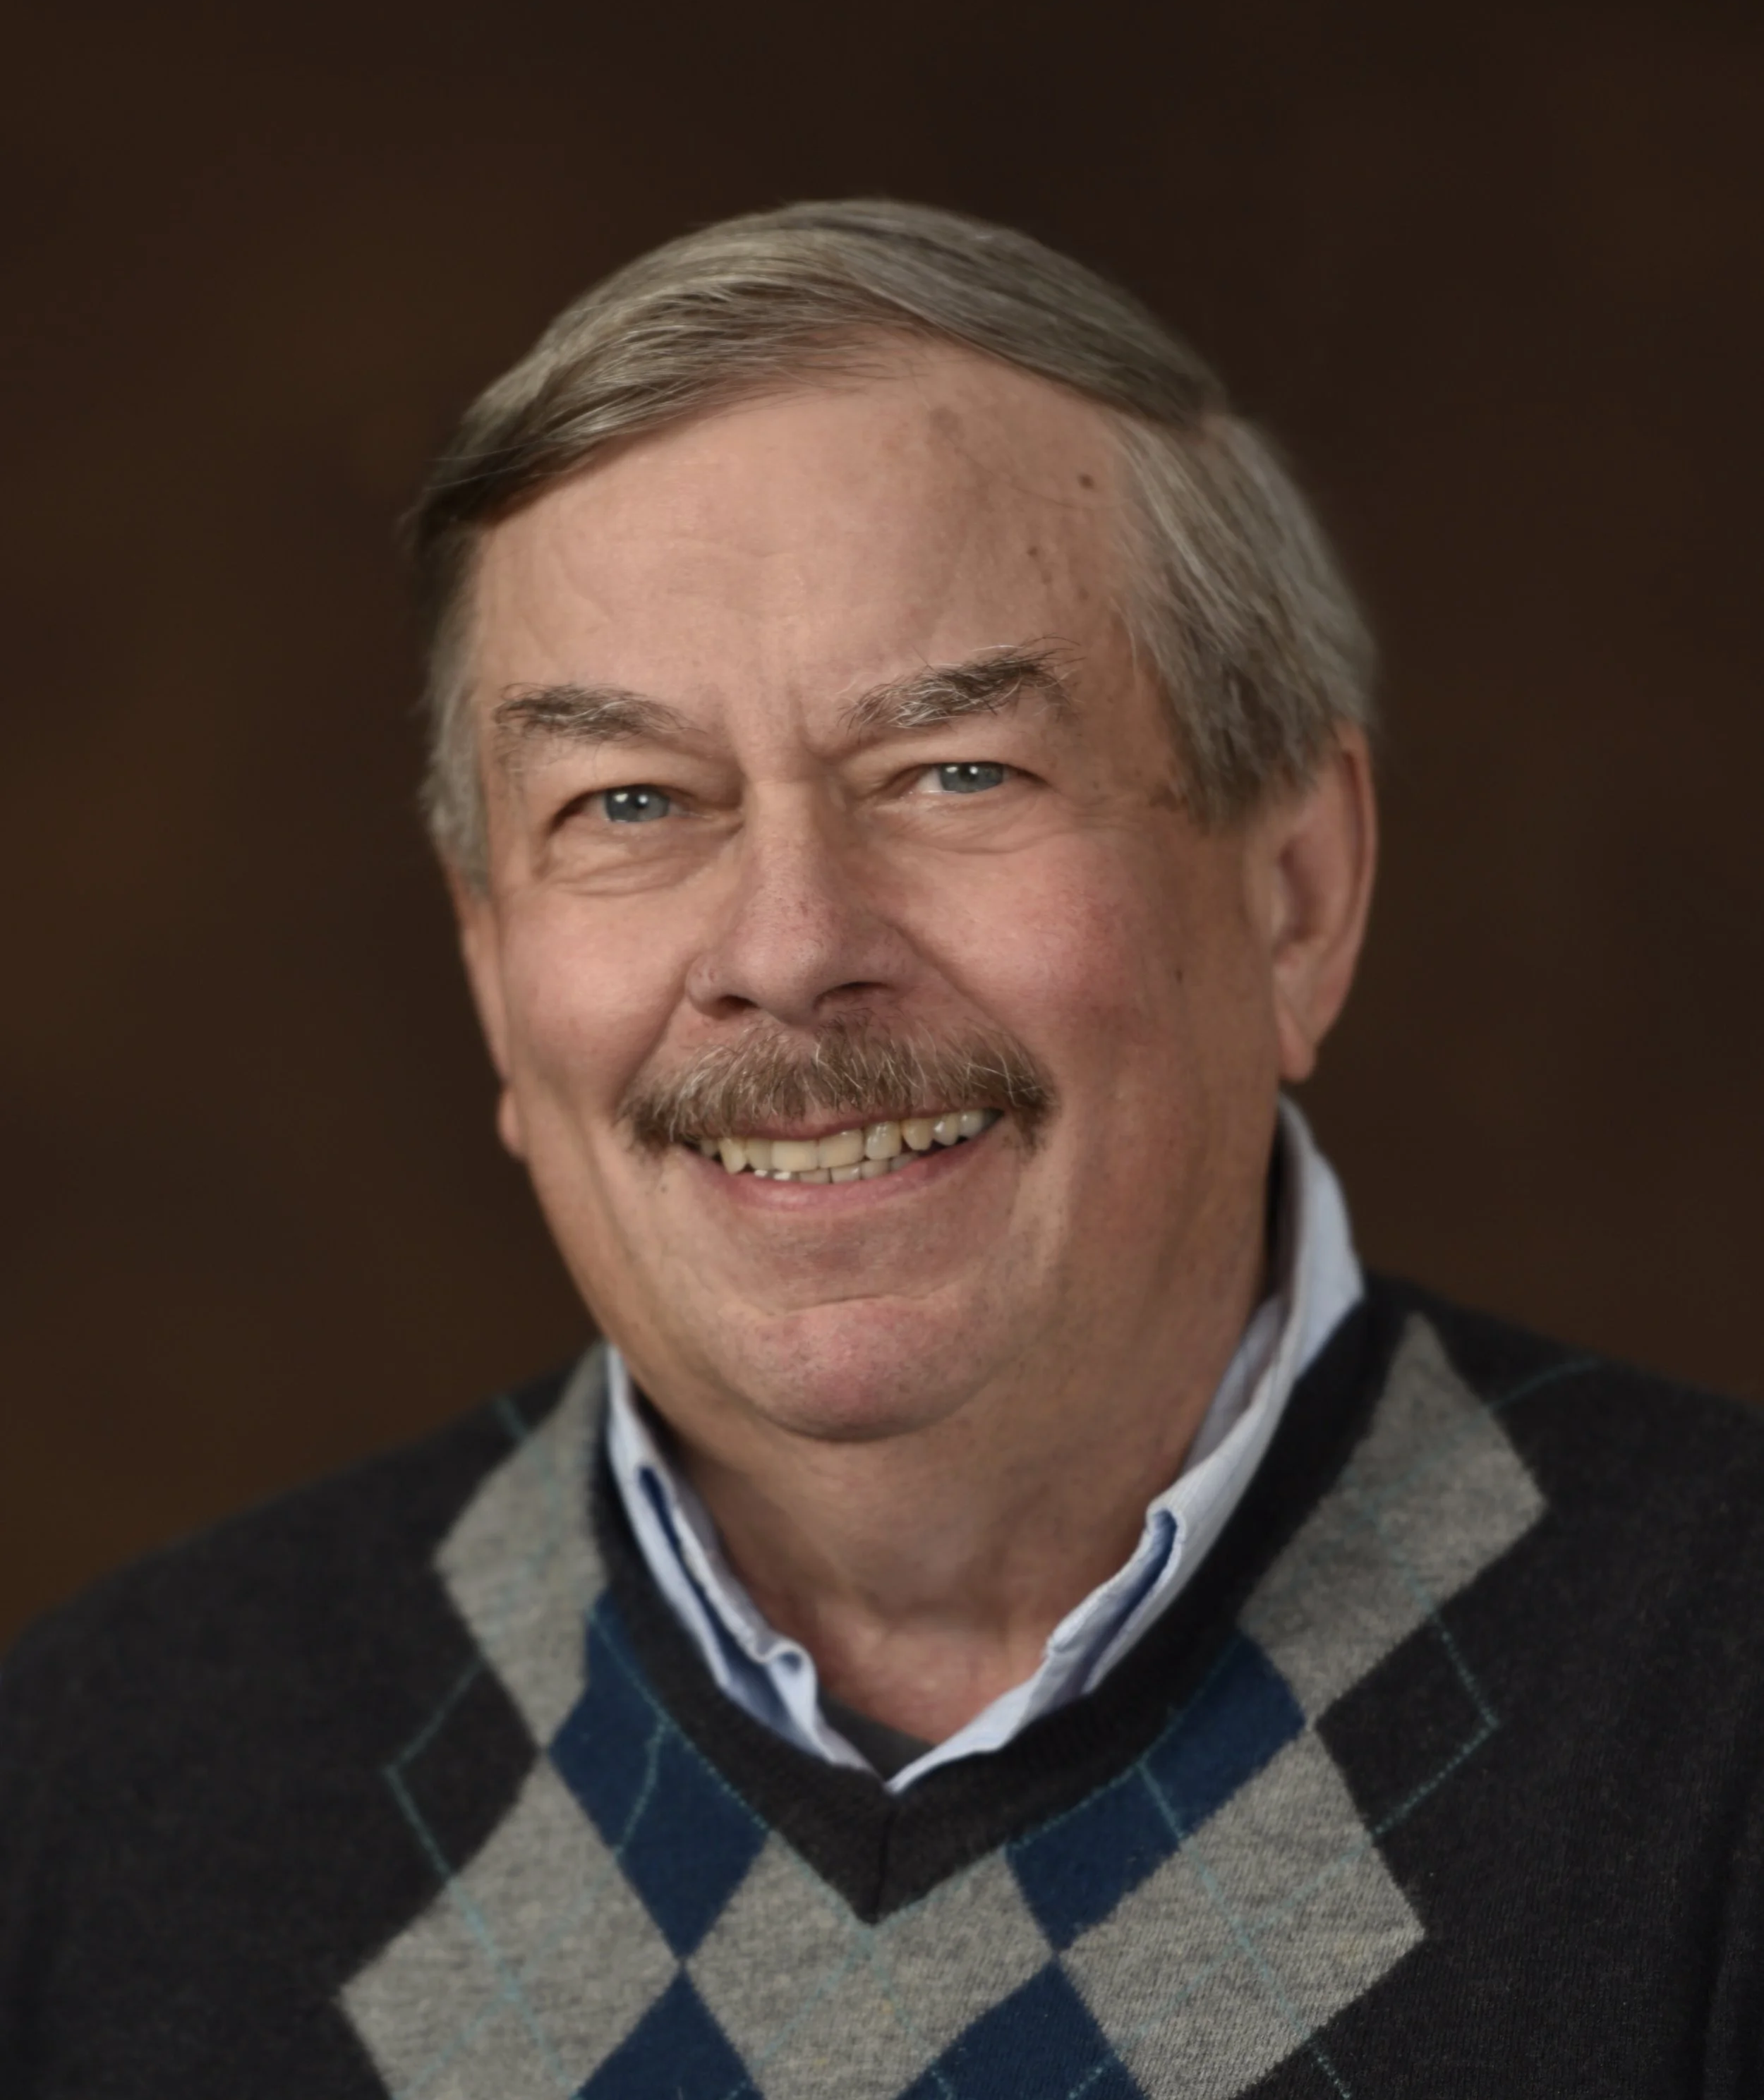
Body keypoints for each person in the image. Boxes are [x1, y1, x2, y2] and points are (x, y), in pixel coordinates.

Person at [3, 201, 1761, 2100]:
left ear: (1295, 893)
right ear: (496, 976)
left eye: (953, 770)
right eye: (627, 801)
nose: (784, 948)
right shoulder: (105, 1782)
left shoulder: (1714, 1709)